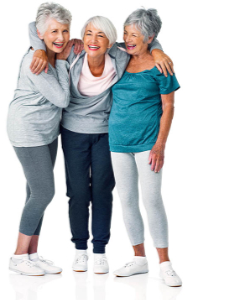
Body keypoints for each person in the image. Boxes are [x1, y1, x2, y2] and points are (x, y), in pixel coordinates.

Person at [28, 13, 173, 274]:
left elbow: (141, 40)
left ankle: (100, 251)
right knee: (78, 193)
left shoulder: (120, 56)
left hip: (108, 134)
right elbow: (35, 28)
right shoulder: (72, 54)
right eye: (89, 34)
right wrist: (38, 48)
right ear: (81, 38)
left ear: (110, 42)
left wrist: (159, 51)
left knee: (103, 193)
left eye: (101, 35)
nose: (94, 40)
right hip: (73, 132)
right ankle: (81, 249)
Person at [7, 2, 82, 276]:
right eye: (53, 32)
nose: (61, 37)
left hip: (47, 131)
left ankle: (32, 254)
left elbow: (32, 26)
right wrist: (62, 62)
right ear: (41, 33)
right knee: (43, 193)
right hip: (28, 131)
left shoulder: (46, 49)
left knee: (33, 192)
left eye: (64, 31)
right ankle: (18, 256)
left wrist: (50, 49)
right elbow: (62, 99)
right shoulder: (35, 60)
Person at [109, 8, 182, 287]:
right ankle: (139, 259)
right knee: (126, 199)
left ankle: (165, 263)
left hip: (148, 144)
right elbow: (99, 41)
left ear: (150, 37)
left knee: (151, 199)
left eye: (134, 35)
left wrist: (160, 145)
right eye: (126, 33)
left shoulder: (161, 65)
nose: (128, 39)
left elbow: (169, 106)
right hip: (117, 142)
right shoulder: (119, 56)